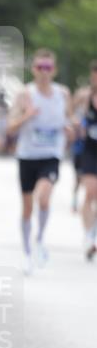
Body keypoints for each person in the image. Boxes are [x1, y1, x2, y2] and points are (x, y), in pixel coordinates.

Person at [7, 49, 71, 275]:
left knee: (43, 197)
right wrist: (27, 115)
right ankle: (26, 254)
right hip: (27, 156)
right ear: (33, 70)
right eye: (40, 67)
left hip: (50, 154)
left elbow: (68, 120)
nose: (44, 72)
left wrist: (69, 129)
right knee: (27, 208)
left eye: (48, 68)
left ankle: (40, 240)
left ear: (54, 70)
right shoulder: (25, 94)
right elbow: (10, 127)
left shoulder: (63, 94)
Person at [72, 60, 97, 260]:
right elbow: (68, 112)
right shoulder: (84, 96)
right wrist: (74, 123)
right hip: (89, 150)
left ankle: (93, 232)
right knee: (90, 191)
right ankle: (88, 236)